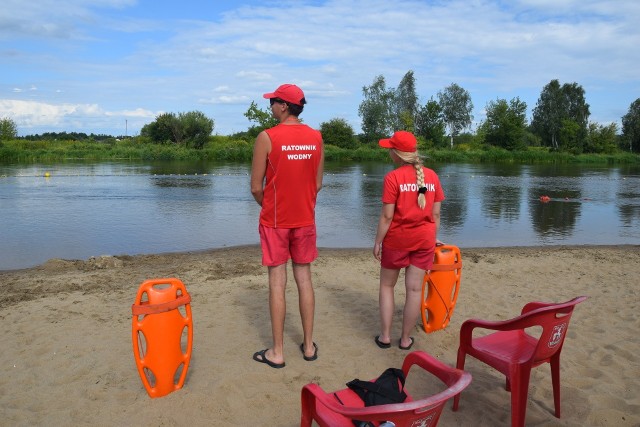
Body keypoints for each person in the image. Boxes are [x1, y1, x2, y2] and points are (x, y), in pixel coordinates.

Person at [250, 84, 324, 368]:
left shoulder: (267, 137)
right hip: (305, 219)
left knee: (277, 282)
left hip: (276, 221)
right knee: (304, 278)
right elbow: (317, 184)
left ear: (284, 106)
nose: (271, 107)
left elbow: (256, 187)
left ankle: (278, 352)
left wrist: (270, 207)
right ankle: (307, 346)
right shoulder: (316, 137)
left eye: (273, 102)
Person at [372, 131, 444, 350]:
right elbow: (436, 214)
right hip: (424, 240)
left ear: (396, 153)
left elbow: (387, 216)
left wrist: (377, 241)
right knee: (413, 291)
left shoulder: (393, 178)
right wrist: (432, 237)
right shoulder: (430, 176)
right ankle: (405, 339)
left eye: (390, 149)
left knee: (387, 286)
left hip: (397, 240)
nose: (388, 152)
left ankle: (385, 337)